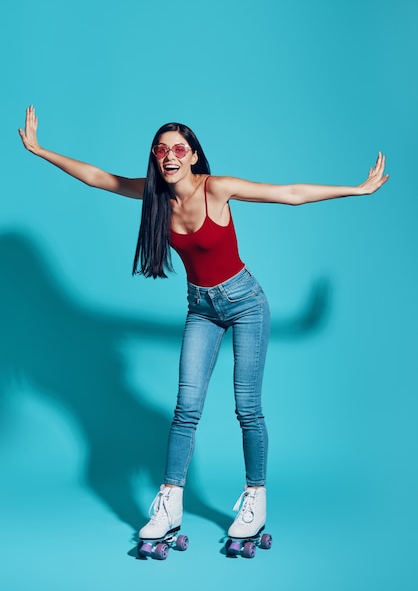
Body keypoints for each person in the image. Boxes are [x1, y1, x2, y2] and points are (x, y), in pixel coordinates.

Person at [18, 105, 389, 545]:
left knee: (247, 408)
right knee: (185, 410)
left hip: (246, 303)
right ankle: (170, 503)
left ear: (193, 155)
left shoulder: (218, 189)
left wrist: (357, 189)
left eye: (179, 148)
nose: (169, 156)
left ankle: (255, 498)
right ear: (156, 158)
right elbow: (100, 178)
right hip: (202, 308)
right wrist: (41, 150)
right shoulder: (155, 197)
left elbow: (289, 192)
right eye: (161, 149)